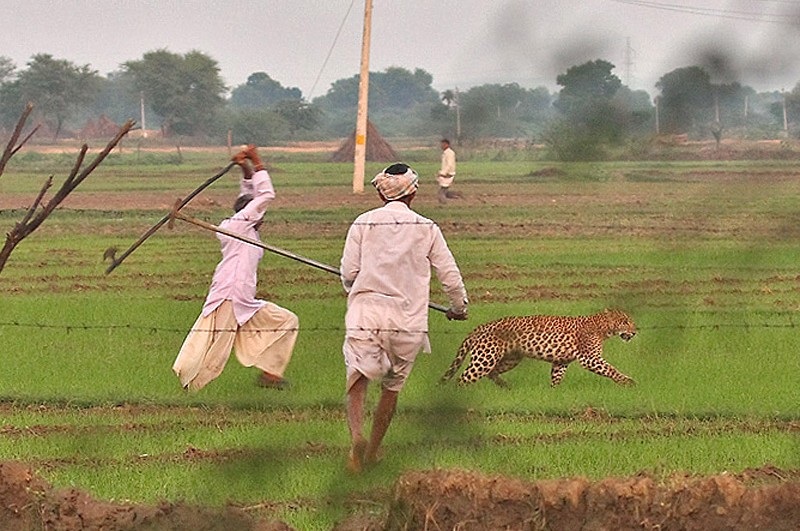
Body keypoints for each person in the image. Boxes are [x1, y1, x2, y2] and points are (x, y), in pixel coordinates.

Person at [340, 162, 469, 473]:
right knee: (392, 387)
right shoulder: (427, 228)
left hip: (366, 313)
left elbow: (348, 273)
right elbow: (449, 276)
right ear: (412, 193)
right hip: (408, 321)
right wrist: (458, 308)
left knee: (357, 377)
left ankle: (356, 437)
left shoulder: (363, 223)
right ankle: (372, 450)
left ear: (383, 194)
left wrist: (357, 287)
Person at [172, 145, 298, 391]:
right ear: (250, 214)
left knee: (286, 320)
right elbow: (264, 196)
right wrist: (257, 160)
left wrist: (244, 168)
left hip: (243, 298)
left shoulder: (246, 229)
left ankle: (270, 374)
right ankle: (191, 387)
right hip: (230, 295)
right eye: (259, 213)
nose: (263, 215)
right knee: (215, 348)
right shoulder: (238, 225)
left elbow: (249, 195)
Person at [436, 138, 461, 203]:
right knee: (444, 191)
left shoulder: (449, 153)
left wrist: (443, 173)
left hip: (448, 174)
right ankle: (457, 195)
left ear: (447, 144)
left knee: (441, 192)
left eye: (443, 144)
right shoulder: (445, 153)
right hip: (447, 173)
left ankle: (443, 204)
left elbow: (449, 164)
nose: (441, 146)